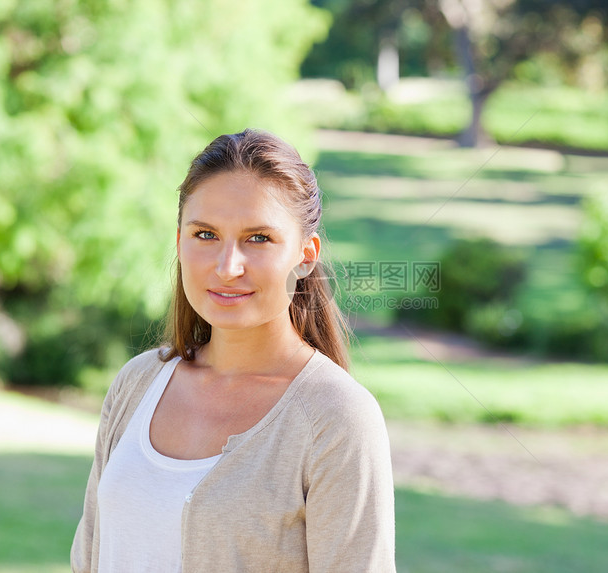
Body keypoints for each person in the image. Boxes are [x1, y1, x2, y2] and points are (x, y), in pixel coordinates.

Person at [71, 129, 396, 572]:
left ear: (305, 255)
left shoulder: (336, 417)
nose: (227, 267)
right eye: (205, 234)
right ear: (180, 240)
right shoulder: (138, 383)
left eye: (258, 238)